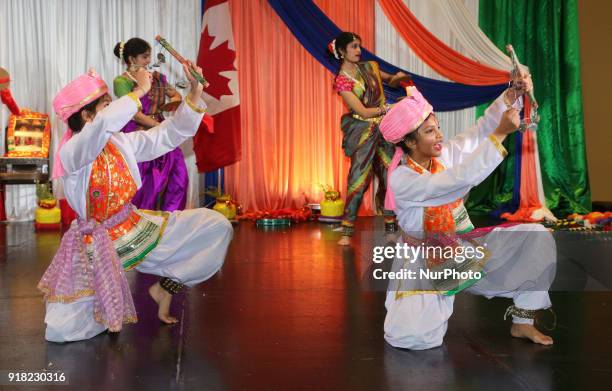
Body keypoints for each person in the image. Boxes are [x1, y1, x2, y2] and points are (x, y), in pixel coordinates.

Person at [38, 63, 233, 343]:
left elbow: (168, 135)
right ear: (86, 115)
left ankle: (166, 287)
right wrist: (140, 90)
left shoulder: (119, 143)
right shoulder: (72, 151)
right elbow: (103, 125)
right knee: (61, 332)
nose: (113, 109)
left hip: (133, 229)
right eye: (106, 104)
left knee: (216, 226)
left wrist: (195, 90)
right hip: (95, 246)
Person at [378, 78, 556, 349]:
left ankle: (523, 321)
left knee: (535, 236)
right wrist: (501, 134)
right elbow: (457, 181)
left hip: (463, 249)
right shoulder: (403, 179)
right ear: (410, 142)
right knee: (412, 339)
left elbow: (476, 134)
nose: (439, 135)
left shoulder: (442, 156)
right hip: (425, 262)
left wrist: (509, 97)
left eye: (437, 128)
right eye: (429, 132)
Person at [329, 32, 409, 246]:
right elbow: (364, 112)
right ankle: (347, 230)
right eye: (354, 46)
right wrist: (387, 108)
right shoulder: (343, 82)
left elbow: (389, 80)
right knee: (358, 179)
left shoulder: (370, 67)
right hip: (363, 131)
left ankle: (391, 226)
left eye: (359, 46)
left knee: (388, 174)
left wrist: (397, 78)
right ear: (342, 51)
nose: (358, 50)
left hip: (383, 129)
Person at [113, 37, 188, 211]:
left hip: (160, 129)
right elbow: (133, 114)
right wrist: (160, 127)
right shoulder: (122, 82)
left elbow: (176, 95)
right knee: (145, 183)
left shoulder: (157, 78)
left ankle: (169, 221)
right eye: (144, 57)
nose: (148, 61)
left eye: (149, 56)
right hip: (139, 134)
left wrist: (171, 104)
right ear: (132, 59)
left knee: (179, 176)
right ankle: (141, 224)